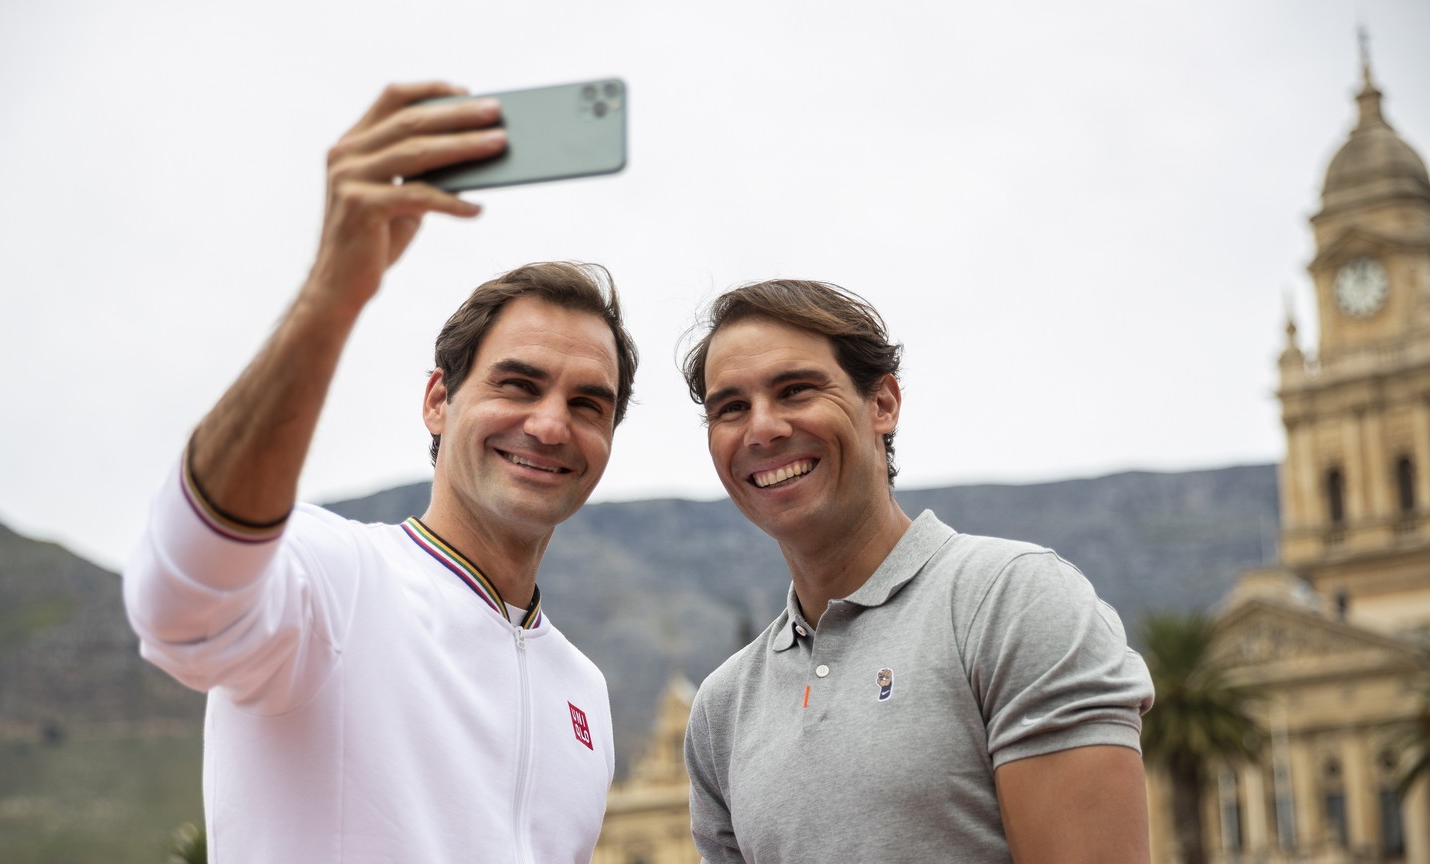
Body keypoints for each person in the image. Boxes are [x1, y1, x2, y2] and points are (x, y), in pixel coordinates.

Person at [121, 82, 639, 863]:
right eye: (517, 384)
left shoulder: (587, 693)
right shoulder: (337, 580)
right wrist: (335, 290)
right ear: (439, 400)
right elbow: (180, 607)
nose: (550, 424)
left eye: (589, 403)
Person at [679, 280, 1155, 863]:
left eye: (796, 390)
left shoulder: (1014, 603)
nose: (763, 428)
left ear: (883, 404)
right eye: (731, 408)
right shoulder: (721, 709)